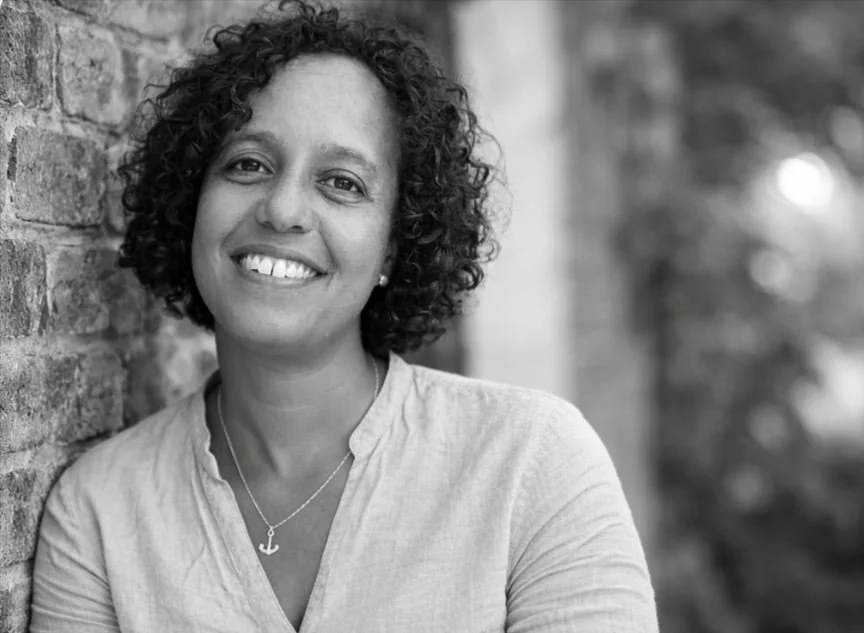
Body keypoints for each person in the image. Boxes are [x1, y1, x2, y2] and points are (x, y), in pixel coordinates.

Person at [30, 1, 658, 631]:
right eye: (248, 164)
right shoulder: (100, 512)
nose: (283, 210)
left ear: (393, 246)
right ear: (192, 199)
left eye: (342, 182)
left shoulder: (531, 463)